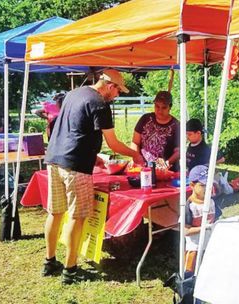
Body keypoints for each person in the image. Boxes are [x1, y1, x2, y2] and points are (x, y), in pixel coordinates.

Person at [42, 69, 142, 285]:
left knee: (55, 212)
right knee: (77, 217)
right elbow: (113, 144)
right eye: (117, 91)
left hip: (53, 159)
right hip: (75, 167)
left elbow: (73, 129)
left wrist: (93, 155)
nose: (117, 96)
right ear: (108, 85)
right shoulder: (100, 104)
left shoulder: (74, 93)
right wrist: (135, 153)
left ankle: (49, 261)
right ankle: (70, 270)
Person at [184, 165, 221, 273]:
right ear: (192, 185)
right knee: (190, 272)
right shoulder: (190, 206)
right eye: (202, 185)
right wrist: (204, 227)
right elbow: (185, 231)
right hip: (194, 247)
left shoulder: (212, 202)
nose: (207, 188)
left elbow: (217, 219)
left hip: (210, 245)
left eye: (209, 184)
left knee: (209, 270)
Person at [132, 91, 179, 170]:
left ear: (170, 107)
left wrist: (167, 163)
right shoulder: (145, 119)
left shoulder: (176, 125)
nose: (160, 111)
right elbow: (135, 142)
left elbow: (178, 151)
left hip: (165, 170)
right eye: (157, 106)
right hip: (143, 167)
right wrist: (136, 156)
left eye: (164, 107)